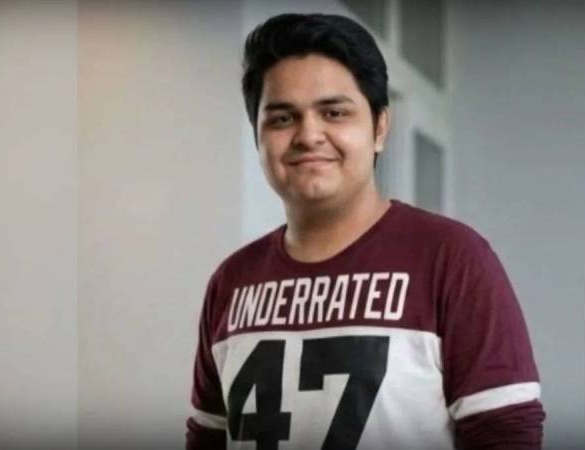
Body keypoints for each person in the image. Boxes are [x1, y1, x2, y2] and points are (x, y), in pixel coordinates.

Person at [186, 13, 545, 450]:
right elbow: (207, 438)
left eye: (334, 113)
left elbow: (506, 435)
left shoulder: (453, 259)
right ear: (258, 137)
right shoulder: (231, 281)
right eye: (282, 118)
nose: (308, 135)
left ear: (379, 128)